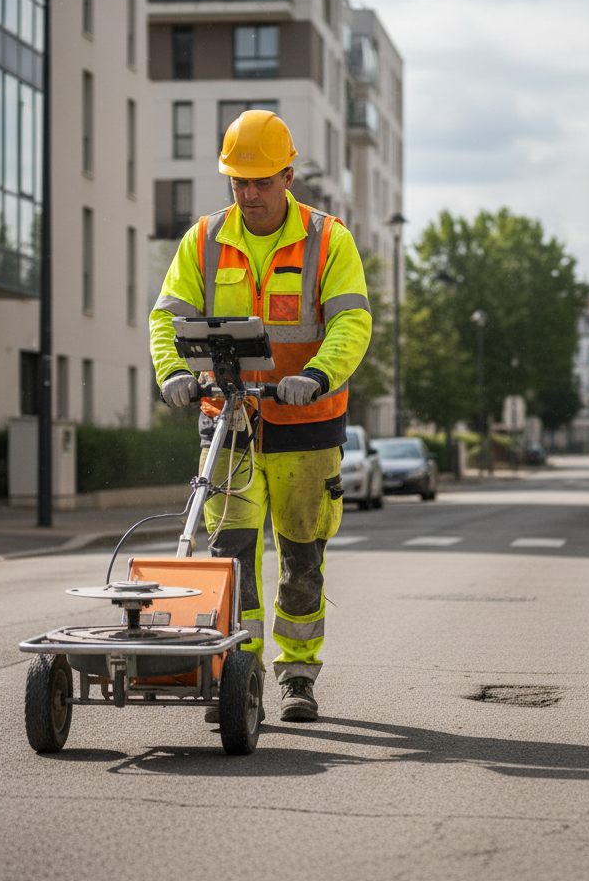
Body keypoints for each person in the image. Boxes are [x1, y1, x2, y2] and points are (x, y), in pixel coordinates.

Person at [149, 110, 371, 722]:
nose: (249, 194)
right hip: (230, 423)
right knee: (231, 557)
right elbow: (167, 316)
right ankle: (237, 678)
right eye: (239, 182)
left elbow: (352, 322)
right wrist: (172, 372)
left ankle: (297, 674)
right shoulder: (204, 239)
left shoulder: (328, 239)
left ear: (288, 178)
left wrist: (316, 376)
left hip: (306, 426)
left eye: (262, 182)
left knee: (301, 560)